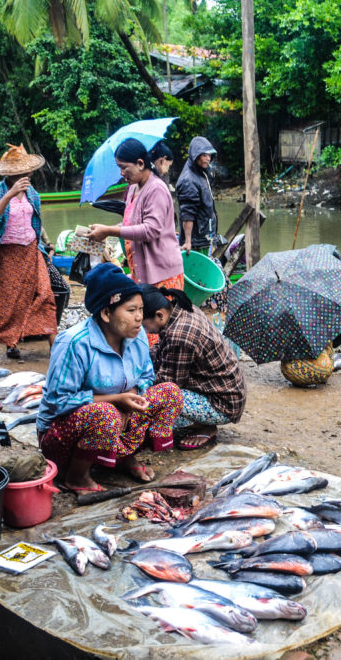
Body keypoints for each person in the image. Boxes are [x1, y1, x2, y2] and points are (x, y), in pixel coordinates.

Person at [36, 264, 183, 494]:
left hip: (118, 416)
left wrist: (135, 396)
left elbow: (146, 376)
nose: (139, 317)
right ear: (106, 313)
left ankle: (123, 457)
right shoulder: (74, 343)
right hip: (62, 437)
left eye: (141, 309)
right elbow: (58, 402)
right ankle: (76, 476)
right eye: (131, 310)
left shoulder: (139, 336)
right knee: (106, 414)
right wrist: (115, 400)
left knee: (169, 392)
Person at [141, 284, 245, 449]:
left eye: (143, 324)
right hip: (221, 388)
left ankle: (205, 425)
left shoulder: (180, 335)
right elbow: (160, 349)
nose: (142, 329)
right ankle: (201, 422)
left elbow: (167, 385)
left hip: (222, 404)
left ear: (159, 315)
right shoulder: (181, 308)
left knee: (147, 416)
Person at [0, 144, 57, 360]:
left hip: (32, 251)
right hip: (7, 254)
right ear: (9, 173)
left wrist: (46, 246)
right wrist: (10, 195)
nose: (27, 175)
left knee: (45, 293)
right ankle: (11, 343)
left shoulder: (32, 193)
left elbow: (36, 222)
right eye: (22, 172)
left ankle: (55, 345)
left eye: (28, 171)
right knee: (11, 300)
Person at [84, 138, 184, 291]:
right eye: (119, 168)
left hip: (162, 272)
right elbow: (130, 223)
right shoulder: (132, 188)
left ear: (140, 164)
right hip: (141, 269)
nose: (121, 173)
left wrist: (110, 231)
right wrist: (105, 230)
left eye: (124, 167)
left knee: (160, 314)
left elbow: (151, 230)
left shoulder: (156, 189)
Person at [176, 136, 219, 253]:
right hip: (196, 243)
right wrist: (188, 241)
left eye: (209, 155)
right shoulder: (189, 180)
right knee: (198, 271)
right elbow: (187, 214)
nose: (208, 158)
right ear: (196, 155)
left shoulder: (200, 173)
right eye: (204, 155)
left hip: (205, 236)